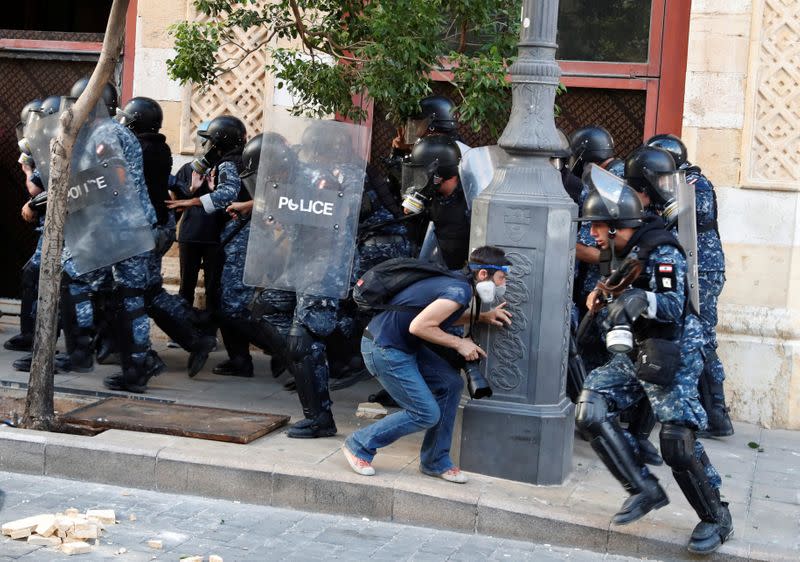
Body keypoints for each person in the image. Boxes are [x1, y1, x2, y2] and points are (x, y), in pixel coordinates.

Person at [575, 174, 733, 555]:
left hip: (674, 345)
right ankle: (643, 489)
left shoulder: (663, 251)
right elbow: (617, 281)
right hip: (636, 346)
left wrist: (640, 300)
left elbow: (673, 306)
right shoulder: (622, 250)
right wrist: (602, 294)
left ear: (617, 227)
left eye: (596, 227)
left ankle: (716, 516)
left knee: (677, 441)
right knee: (590, 408)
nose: (592, 235)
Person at [342, 246, 513, 481]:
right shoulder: (459, 290)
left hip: (400, 346)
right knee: (425, 413)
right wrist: (459, 343)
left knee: (451, 384)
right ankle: (359, 444)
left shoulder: (458, 284)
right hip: (384, 350)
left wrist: (483, 317)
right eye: (502, 278)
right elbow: (420, 326)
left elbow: (436, 316)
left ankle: (435, 460)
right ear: (483, 275)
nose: (503, 284)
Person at [117, 97, 216, 377]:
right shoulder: (160, 147)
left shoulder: (138, 148)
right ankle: (195, 338)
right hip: (159, 226)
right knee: (150, 292)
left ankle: (141, 357)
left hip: (142, 229)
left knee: (131, 292)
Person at [646, 134, 733, 437]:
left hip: (703, 271)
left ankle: (717, 413)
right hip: (689, 267)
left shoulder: (695, 183)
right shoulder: (677, 181)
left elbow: (680, 216)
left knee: (702, 335)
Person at [165, 115, 251, 377]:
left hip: (225, 238)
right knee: (199, 292)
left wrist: (192, 200)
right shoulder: (226, 164)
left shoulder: (228, 165)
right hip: (206, 236)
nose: (208, 147)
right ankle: (195, 336)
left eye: (211, 141)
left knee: (223, 298)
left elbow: (226, 196)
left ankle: (238, 350)